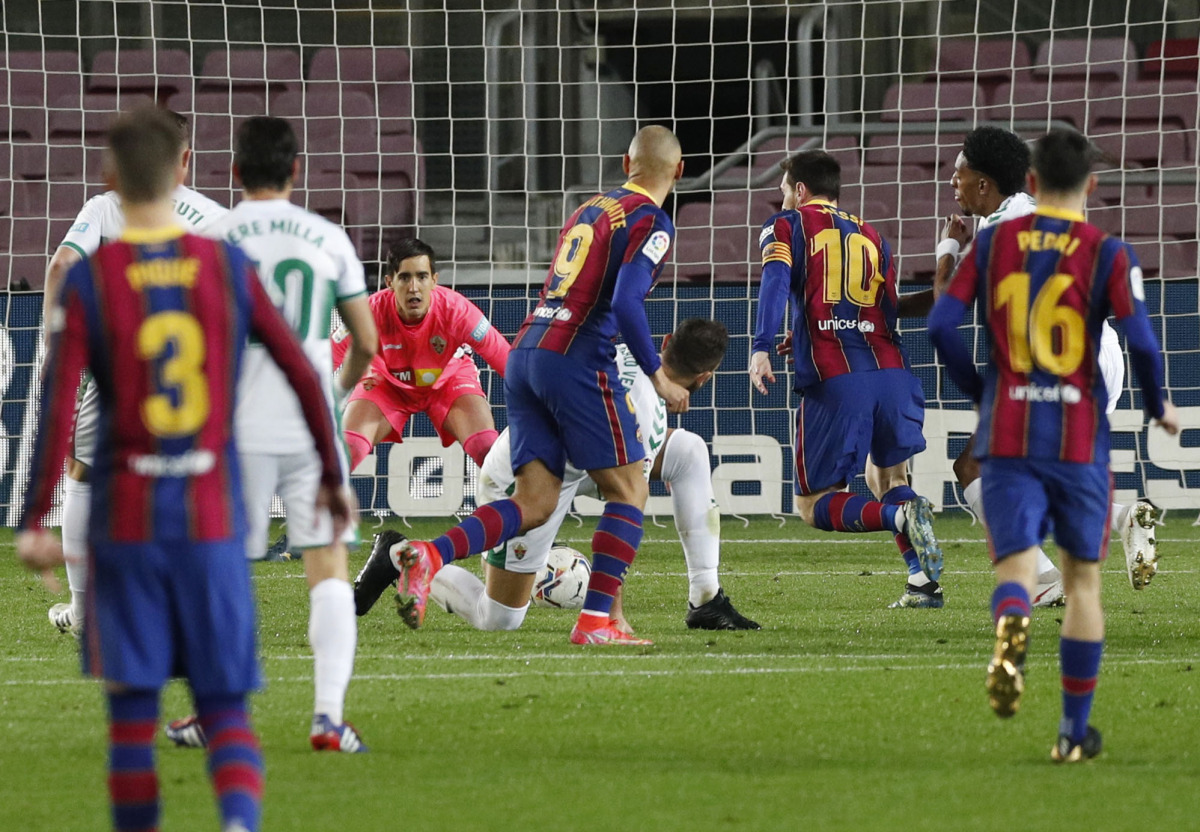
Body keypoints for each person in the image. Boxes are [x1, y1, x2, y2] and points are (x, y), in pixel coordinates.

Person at [15, 106, 351, 832]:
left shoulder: (92, 281)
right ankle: (237, 823)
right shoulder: (225, 263)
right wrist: (329, 466)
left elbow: (55, 402)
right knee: (225, 705)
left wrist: (32, 518)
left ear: (109, 178)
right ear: (185, 169)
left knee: (133, 718)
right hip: (209, 510)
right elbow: (298, 366)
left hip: (124, 519)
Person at [383, 125, 691, 645]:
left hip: (529, 348)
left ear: (625, 163)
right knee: (631, 488)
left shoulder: (589, 210)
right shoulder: (652, 220)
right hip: (576, 356)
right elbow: (625, 301)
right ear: (679, 172)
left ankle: (432, 556)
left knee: (536, 503)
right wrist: (656, 374)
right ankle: (596, 623)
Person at [929, 127, 1179, 761]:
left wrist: (982, 391)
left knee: (1010, 559)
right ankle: (1073, 732)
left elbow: (940, 322)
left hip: (1016, 410)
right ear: (1091, 186)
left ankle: (1014, 615)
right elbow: (1145, 342)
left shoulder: (996, 240)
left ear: (1029, 181)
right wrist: (1160, 406)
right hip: (1082, 407)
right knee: (1083, 582)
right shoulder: (1107, 250)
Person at [163, 116, 377, 753]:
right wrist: (334, 390)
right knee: (328, 564)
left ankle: (212, 714)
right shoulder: (327, 237)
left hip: (234, 430)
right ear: (295, 171)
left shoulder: (211, 237)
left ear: (232, 173)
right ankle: (328, 720)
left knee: (222, 572)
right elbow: (366, 342)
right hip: (310, 426)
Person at [353, 319, 760, 632]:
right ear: (706, 377)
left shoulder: (624, 354)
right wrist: (611, 613)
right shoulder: (646, 417)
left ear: (665, 342)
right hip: (524, 475)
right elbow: (621, 506)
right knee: (498, 618)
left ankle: (705, 596)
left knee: (687, 450)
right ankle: (401, 553)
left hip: (562, 456)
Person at [934, 127, 1161, 605]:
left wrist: (946, 254)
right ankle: (1120, 521)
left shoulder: (1000, 229)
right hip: (1099, 355)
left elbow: (944, 310)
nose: (951, 182)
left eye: (959, 173)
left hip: (1054, 362)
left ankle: (1041, 585)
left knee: (976, 468)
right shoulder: (1029, 215)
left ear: (983, 182)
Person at [43, 110, 229, 636]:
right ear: (185, 159)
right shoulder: (217, 220)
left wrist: (55, 349)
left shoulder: (105, 208)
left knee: (83, 473)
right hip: (193, 380)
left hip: (121, 369)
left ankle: (85, 612)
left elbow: (61, 266)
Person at [749, 150, 943, 608]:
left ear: (799, 190)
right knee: (888, 475)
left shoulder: (786, 225)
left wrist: (760, 345)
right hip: (892, 373)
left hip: (837, 378)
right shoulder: (874, 237)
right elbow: (882, 310)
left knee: (815, 504)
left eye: (783, 192)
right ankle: (922, 584)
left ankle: (898, 519)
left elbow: (775, 283)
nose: (782, 200)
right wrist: (800, 335)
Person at [332, 237, 510, 474]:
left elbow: (505, 358)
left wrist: (542, 402)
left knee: (486, 448)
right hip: (386, 385)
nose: (414, 287)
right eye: (404, 277)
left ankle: (523, 510)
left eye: (422, 276)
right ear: (389, 282)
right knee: (346, 453)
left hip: (449, 381)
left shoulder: (458, 311)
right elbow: (324, 359)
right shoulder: (369, 312)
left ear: (434, 280)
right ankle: (315, 510)